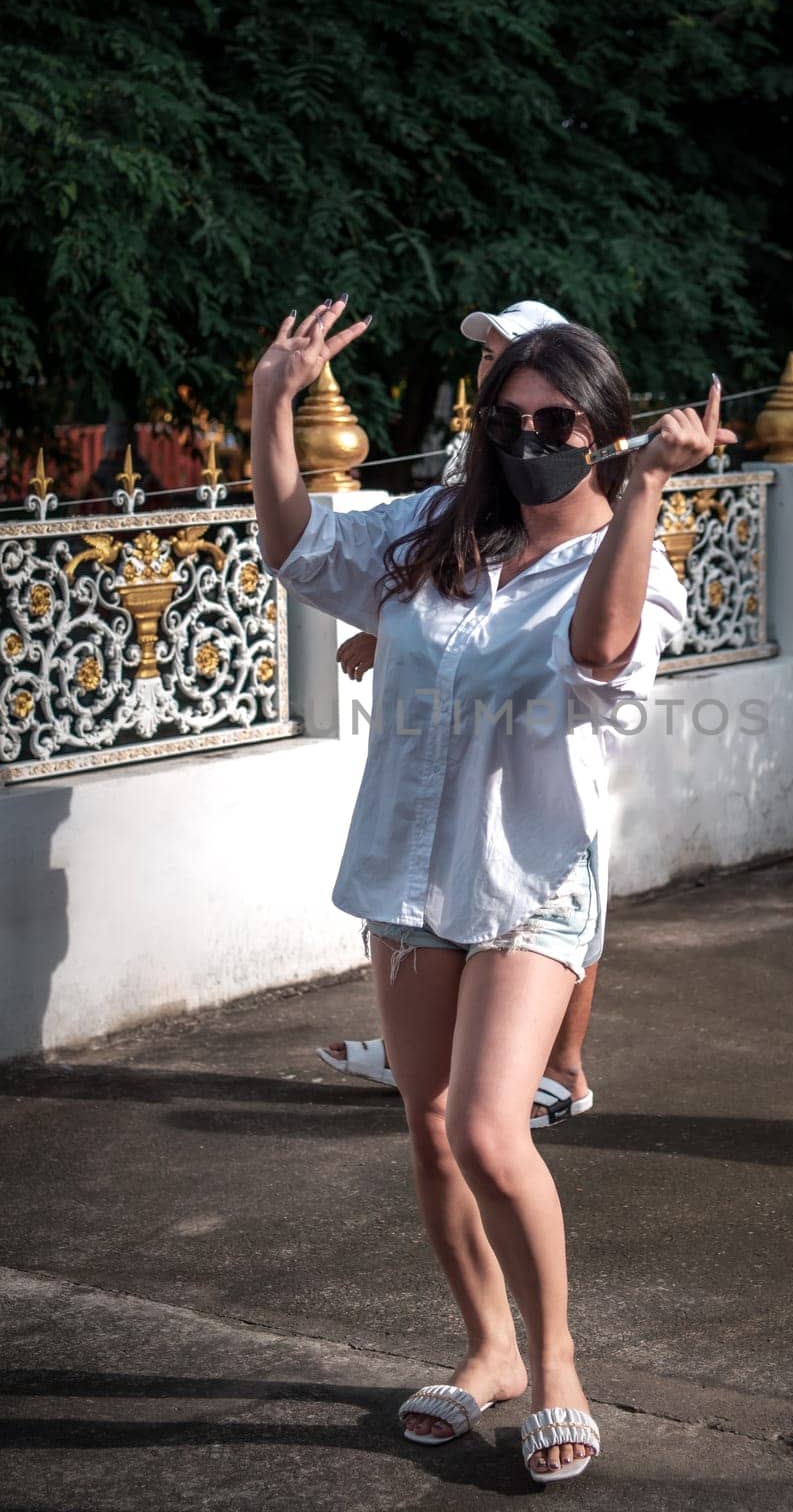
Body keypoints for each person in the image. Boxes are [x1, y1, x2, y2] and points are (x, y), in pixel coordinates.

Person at [252, 292, 733, 1481]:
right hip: (412, 874)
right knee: (426, 1131)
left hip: (529, 880)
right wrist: (270, 403)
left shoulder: (628, 556)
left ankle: (557, 1361)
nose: (527, 435)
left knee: (485, 1124)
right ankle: (489, 1352)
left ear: (600, 429)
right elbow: (297, 546)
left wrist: (648, 491)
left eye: (556, 418)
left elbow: (598, 656)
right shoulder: (433, 527)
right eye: (506, 414)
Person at [321, 299, 600, 1129]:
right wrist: (391, 632)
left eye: (513, 354)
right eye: (487, 359)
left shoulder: (566, 463)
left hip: (551, 718)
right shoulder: (477, 450)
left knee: (560, 897)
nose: (494, 370)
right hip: (460, 717)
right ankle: (434, 1046)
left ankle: (563, 1066)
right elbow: (448, 580)